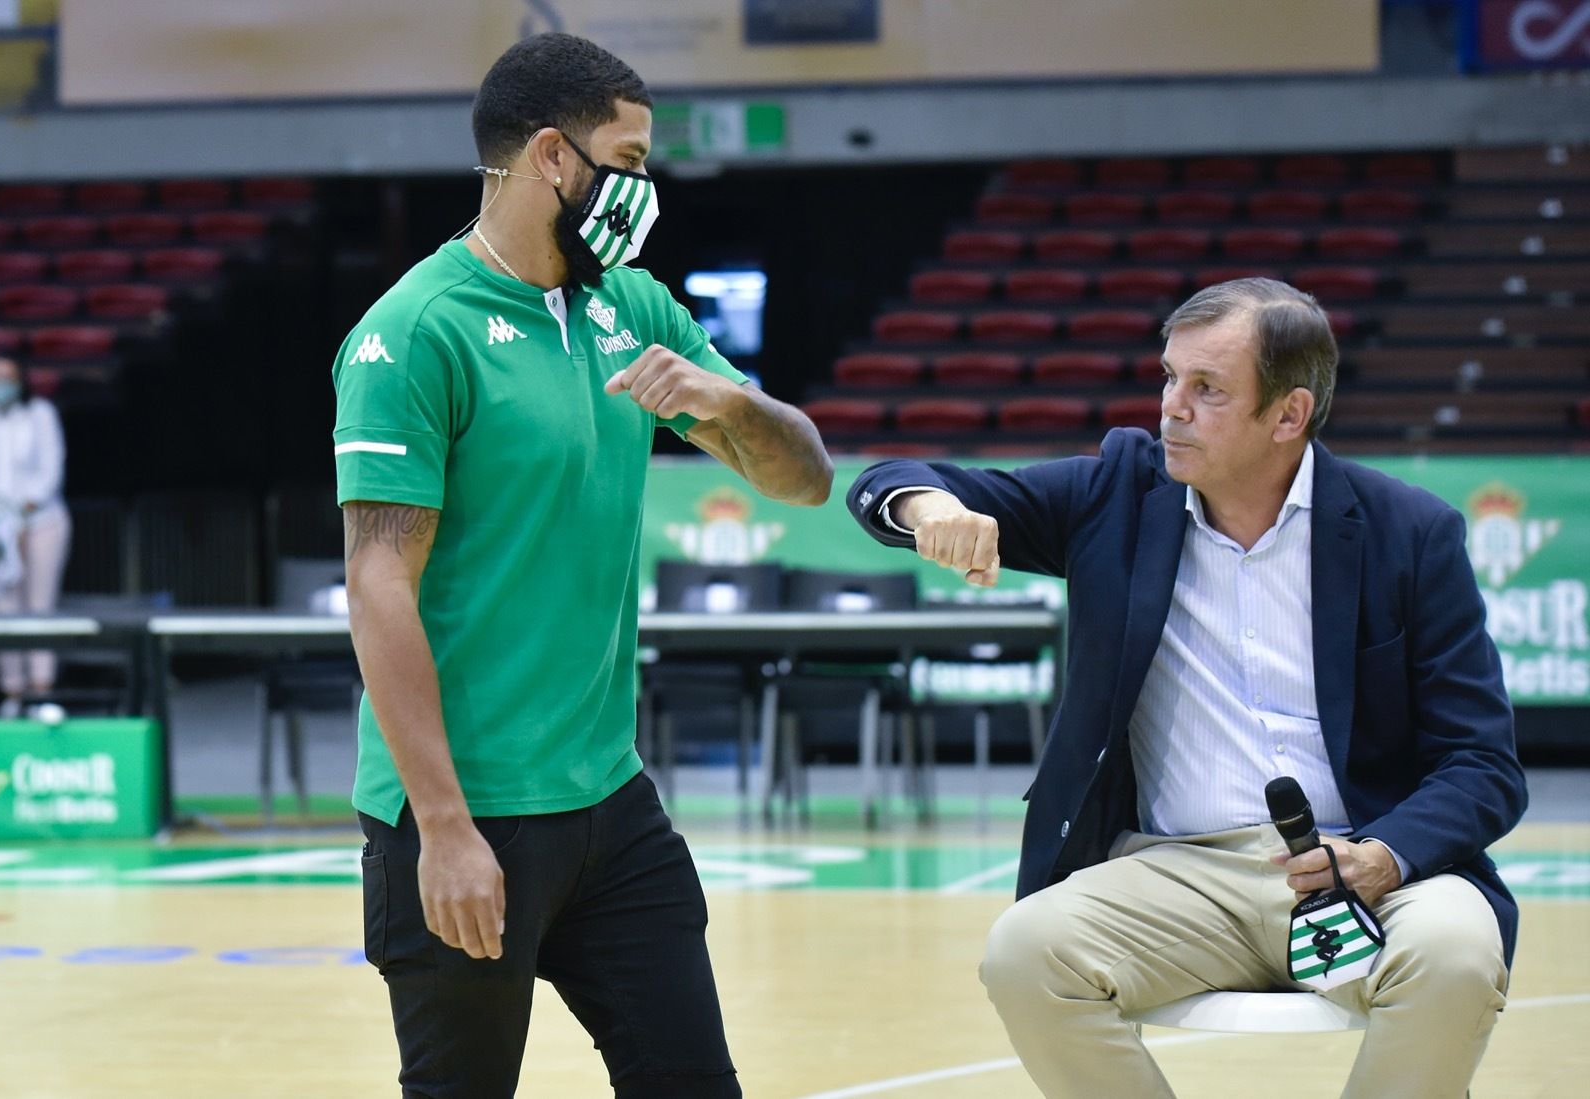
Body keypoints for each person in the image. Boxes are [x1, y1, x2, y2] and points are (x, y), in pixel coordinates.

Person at [846, 278, 1525, 1099]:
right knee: (1026, 952)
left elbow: (1483, 765)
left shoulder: (1408, 532)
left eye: (1207, 389)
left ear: (1288, 414)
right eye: (1170, 377)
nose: (1172, 406)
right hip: (1173, 872)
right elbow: (887, 477)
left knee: (1456, 951)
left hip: (1364, 865)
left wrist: (1383, 855)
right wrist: (928, 508)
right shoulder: (1118, 495)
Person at [333, 33, 832, 1099]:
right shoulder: (414, 333)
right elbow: (378, 587)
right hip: (468, 811)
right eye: (633, 160)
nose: (647, 190)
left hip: (611, 804)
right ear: (554, 158)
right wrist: (444, 828)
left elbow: (803, 481)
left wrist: (731, 403)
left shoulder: (636, 307)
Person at [0, 353, 70, 719]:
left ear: (21, 379)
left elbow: (51, 468)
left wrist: (24, 511)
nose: (1, 384)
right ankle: (13, 691)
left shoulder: (40, 414)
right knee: (5, 610)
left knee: (40, 608)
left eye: (7, 377)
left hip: (42, 522)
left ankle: (42, 690)